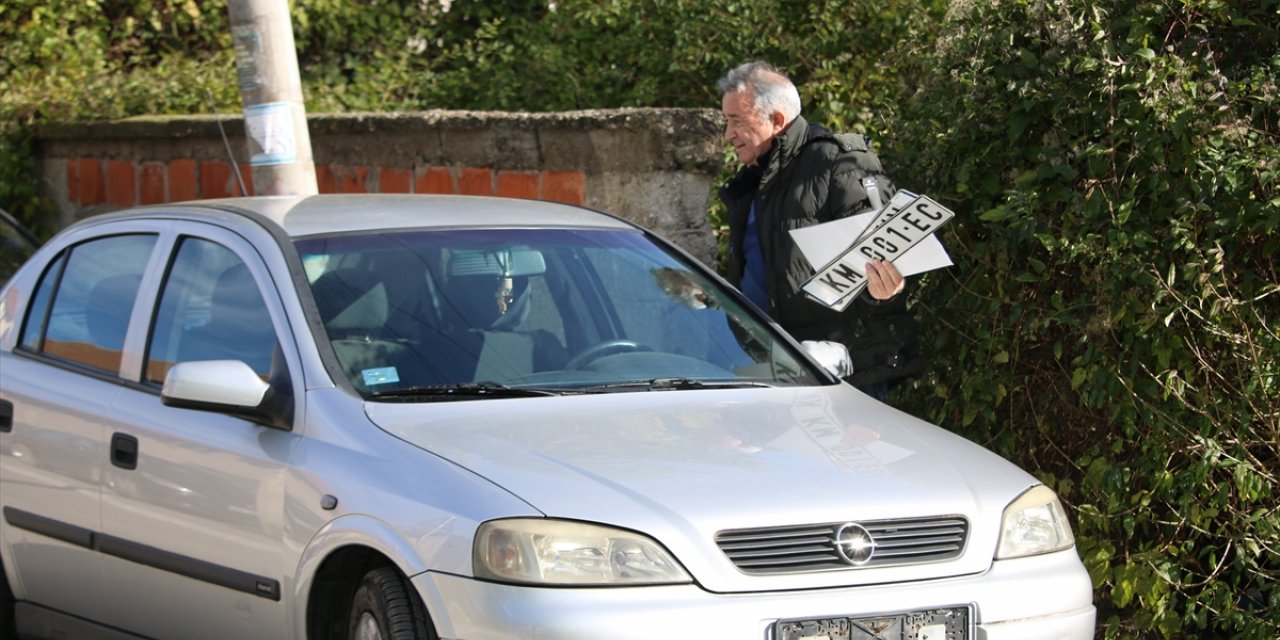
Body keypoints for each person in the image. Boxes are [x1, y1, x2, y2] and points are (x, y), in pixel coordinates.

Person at [716, 60, 924, 402]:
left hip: (846, 379)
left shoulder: (839, 163)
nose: (728, 134)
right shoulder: (749, 185)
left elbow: (888, 256)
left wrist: (888, 285)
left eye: (735, 121)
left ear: (777, 120)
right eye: (727, 122)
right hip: (774, 374)